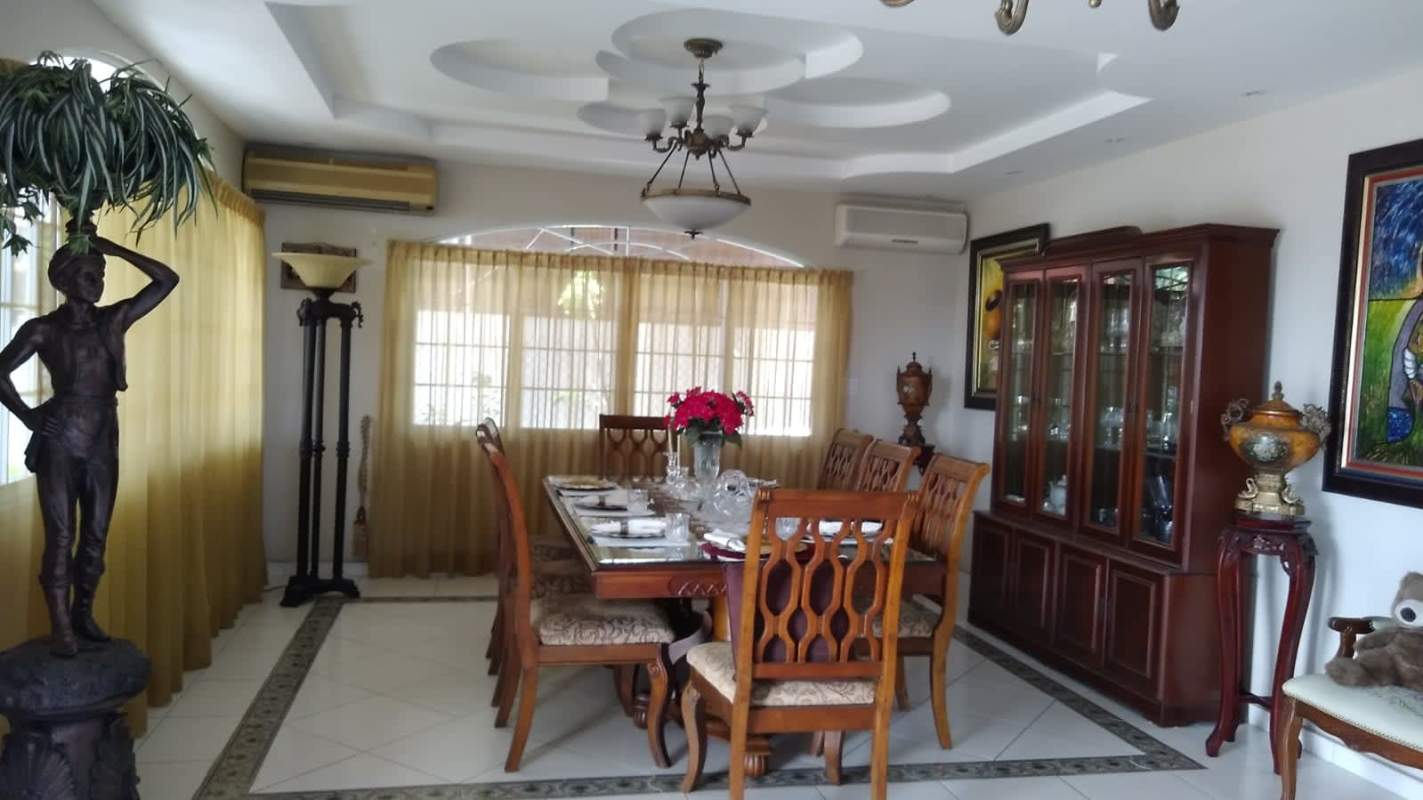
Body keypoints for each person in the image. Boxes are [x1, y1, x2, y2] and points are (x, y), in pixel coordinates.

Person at [0, 225, 178, 657]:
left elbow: (167, 280)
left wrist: (112, 248)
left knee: (96, 536)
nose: (98, 282)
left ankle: (82, 612)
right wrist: (28, 418)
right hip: (62, 439)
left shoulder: (113, 319)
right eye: (87, 274)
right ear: (63, 281)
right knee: (61, 537)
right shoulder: (43, 329)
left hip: (102, 437)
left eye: (100, 274)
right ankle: (60, 624)